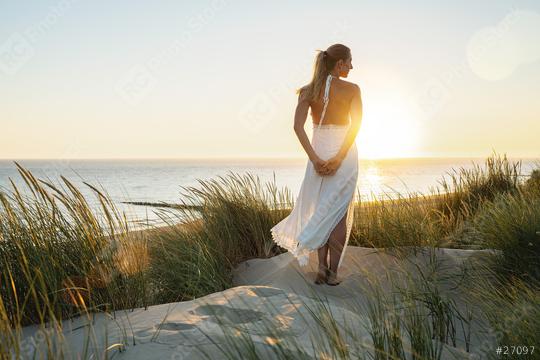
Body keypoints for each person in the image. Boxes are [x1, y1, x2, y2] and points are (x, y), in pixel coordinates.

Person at [271, 43, 363, 286]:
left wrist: (315, 158)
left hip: (318, 150)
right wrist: (340, 158)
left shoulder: (307, 90)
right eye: (349, 62)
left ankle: (321, 270)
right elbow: (355, 126)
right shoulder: (352, 89)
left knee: (319, 210)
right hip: (345, 153)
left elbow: (297, 127)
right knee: (338, 215)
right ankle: (332, 273)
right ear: (340, 63)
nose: (352, 67)